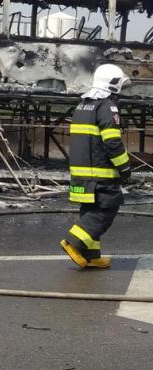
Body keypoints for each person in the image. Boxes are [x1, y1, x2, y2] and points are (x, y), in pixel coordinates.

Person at [60, 64, 133, 269]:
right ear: (113, 83)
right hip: (99, 173)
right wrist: (125, 168)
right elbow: (112, 142)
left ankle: (91, 256)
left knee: (90, 210)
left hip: (82, 173)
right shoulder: (107, 106)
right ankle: (73, 241)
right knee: (107, 209)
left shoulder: (83, 104)